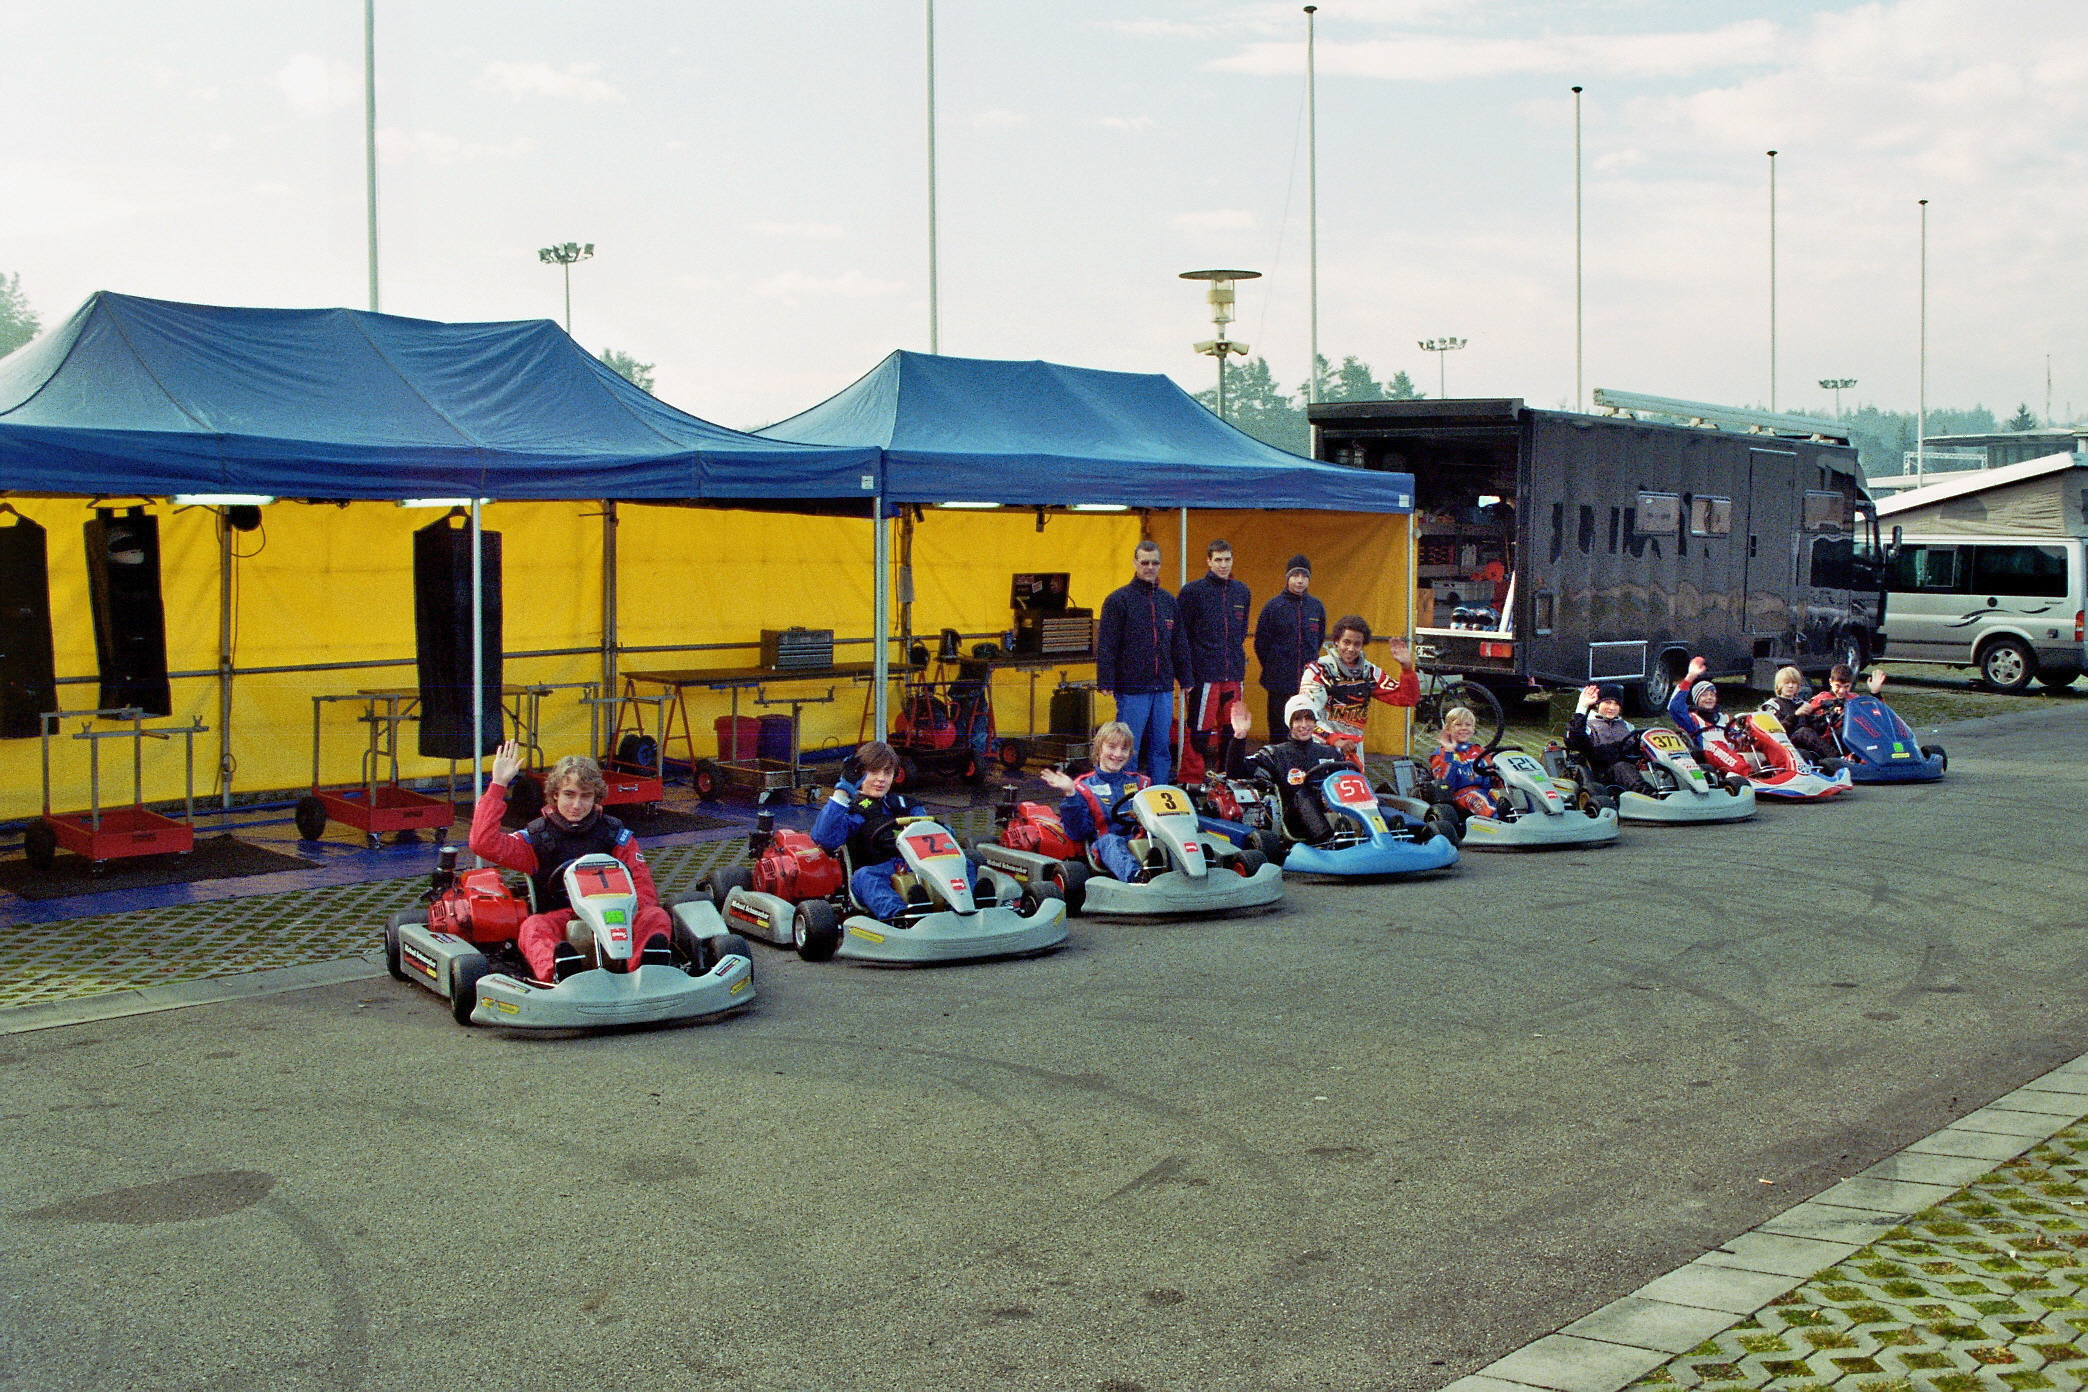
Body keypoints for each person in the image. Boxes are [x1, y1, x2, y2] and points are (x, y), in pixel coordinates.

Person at [471, 740, 671, 983]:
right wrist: (498, 784)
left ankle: (646, 972)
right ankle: (559, 973)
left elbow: (644, 889)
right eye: (569, 795)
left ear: (596, 797)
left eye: (585, 796)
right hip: (562, 920)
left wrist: (627, 914)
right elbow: (483, 843)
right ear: (555, 794)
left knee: (655, 915)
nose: (577, 805)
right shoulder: (536, 837)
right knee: (532, 927)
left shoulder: (615, 835)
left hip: (615, 916)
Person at [812, 740, 981, 919]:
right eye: (874, 772)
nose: (881, 779)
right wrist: (844, 790)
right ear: (859, 774)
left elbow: (940, 837)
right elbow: (824, 839)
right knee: (864, 877)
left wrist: (943, 830)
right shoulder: (851, 810)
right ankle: (901, 915)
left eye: (887, 772)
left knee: (966, 862)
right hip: (879, 871)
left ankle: (972, 905)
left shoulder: (906, 805)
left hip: (918, 867)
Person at [1095, 539, 1192, 784]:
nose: (1150, 567)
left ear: (1160, 564)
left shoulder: (1168, 601)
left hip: (1163, 688)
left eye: (1155, 562)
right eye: (1145, 562)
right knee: (1129, 749)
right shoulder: (1118, 600)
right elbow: (1107, 643)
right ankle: (1128, 800)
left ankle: (1160, 795)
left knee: (1162, 748)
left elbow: (1179, 642)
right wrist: (1105, 679)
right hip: (1132, 689)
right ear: (1135, 563)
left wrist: (1186, 677)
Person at [1175, 538, 1251, 784]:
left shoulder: (1242, 591)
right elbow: (1181, 635)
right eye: (1218, 560)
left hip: (1234, 675)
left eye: (1227, 559)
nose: (1223, 565)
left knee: (1232, 731)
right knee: (1199, 732)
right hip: (1204, 677)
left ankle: (1227, 779)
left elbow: (1241, 632)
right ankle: (1191, 780)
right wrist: (1186, 673)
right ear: (1208, 561)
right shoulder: (1192, 591)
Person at [1296, 616, 1419, 769]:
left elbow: (1407, 699)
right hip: (1321, 744)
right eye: (1346, 642)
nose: (1351, 649)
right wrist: (1336, 740)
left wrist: (1407, 668)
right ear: (1336, 641)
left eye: (1357, 644)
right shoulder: (1318, 671)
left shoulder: (1369, 672)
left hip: (1354, 747)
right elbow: (1305, 716)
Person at [1222, 695, 1343, 845]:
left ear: (1315, 722)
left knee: (1375, 794)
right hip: (1295, 820)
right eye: (1298, 720)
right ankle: (1328, 842)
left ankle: (1375, 835)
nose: (1304, 725)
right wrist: (1239, 736)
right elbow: (1235, 772)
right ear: (1290, 723)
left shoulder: (1330, 753)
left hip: (1334, 812)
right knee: (1303, 795)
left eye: (1309, 719)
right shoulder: (1275, 754)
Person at [1040, 721, 1149, 883]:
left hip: (1142, 842)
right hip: (1106, 848)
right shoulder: (1084, 787)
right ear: (1099, 748)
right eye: (1112, 747)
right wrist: (1070, 793)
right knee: (1110, 841)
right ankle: (1137, 879)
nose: (1118, 754)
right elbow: (1077, 832)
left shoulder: (1141, 783)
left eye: (1124, 749)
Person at [1253, 554, 1327, 739]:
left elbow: (1317, 640)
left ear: (1309, 579)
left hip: (1308, 684)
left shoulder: (1316, 607)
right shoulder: (1273, 606)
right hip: (1279, 683)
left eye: (1304, 576)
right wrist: (1275, 667)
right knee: (1279, 731)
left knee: (1306, 731)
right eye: (1295, 576)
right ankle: (1277, 767)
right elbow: (1261, 643)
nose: (1300, 581)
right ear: (1287, 578)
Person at [1790, 662, 1888, 759]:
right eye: (1838, 686)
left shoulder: (1854, 698)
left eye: (1846, 687)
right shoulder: (1819, 700)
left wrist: (1875, 693)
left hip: (1852, 740)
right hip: (1827, 742)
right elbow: (1806, 721)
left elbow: (1877, 715)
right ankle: (1840, 758)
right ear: (1830, 682)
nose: (1842, 691)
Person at [1566, 683, 1650, 794]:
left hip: (1631, 770)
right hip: (1604, 775)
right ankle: (1649, 795)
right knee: (1621, 766)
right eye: (1608, 702)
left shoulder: (1627, 726)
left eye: (1616, 704)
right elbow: (1574, 740)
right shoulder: (1589, 725)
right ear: (1597, 704)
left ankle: (1668, 790)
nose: (1612, 708)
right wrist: (1582, 707)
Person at [1429, 706, 1510, 818]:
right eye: (1458, 725)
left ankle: (1518, 817)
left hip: (1485, 790)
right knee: (1477, 798)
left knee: (1505, 797)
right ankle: (1497, 818)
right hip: (1459, 795)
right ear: (1448, 729)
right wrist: (1449, 752)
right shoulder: (1441, 754)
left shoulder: (1479, 750)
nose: (1464, 728)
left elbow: (1492, 772)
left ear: (1473, 729)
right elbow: (1443, 782)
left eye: (1468, 725)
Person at [1665, 656, 1726, 749]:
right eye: (1704, 695)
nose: (1709, 698)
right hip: (1707, 753)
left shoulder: (1725, 718)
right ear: (1696, 700)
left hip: (1732, 752)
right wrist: (1689, 678)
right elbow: (1674, 707)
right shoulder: (1692, 720)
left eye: (1712, 695)